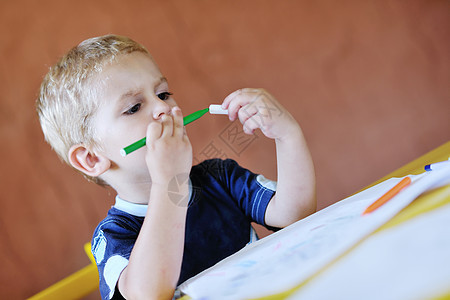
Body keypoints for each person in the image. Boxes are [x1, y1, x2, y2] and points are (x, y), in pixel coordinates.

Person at [36, 34, 316, 300]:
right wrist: (169, 181)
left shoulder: (220, 178)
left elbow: (296, 214)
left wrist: (287, 135)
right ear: (92, 159)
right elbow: (149, 294)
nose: (162, 108)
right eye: (134, 108)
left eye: (163, 93)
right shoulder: (114, 234)